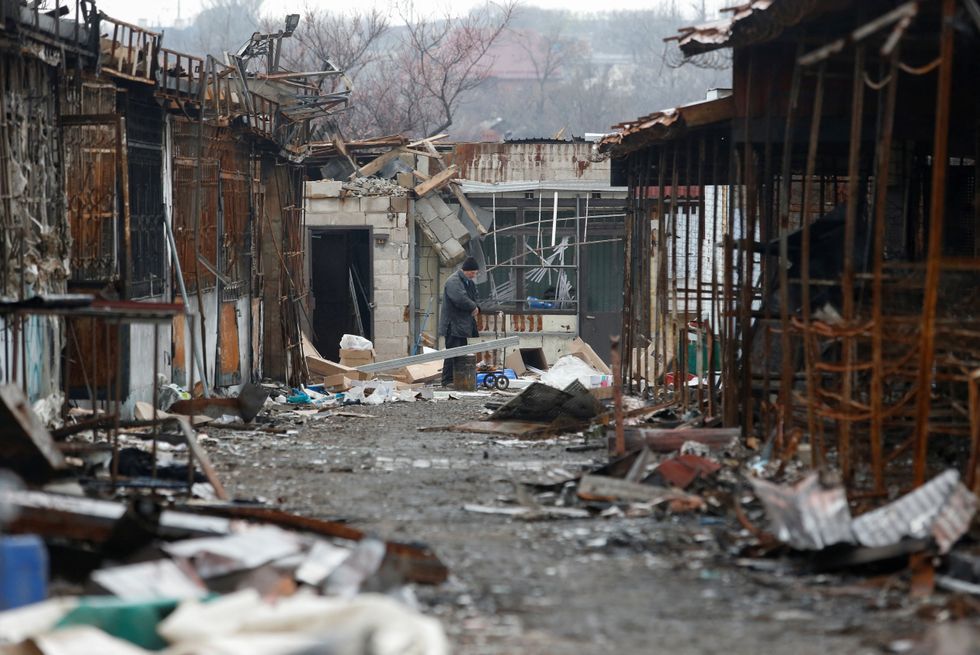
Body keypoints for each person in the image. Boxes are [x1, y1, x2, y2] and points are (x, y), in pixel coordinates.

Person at [439, 256, 481, 387]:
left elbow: (475, 296)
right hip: (453, 324)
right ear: (465, 270)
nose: (474, 275)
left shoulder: (468, 282)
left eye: (475, 273)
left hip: (462, 325)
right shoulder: (454, 281)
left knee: (460, 354)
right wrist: (473, 307)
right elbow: (459, 298)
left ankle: (457, 379)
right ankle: (447, 380)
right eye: (472, 273)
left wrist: (477, 307)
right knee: (452, 353)